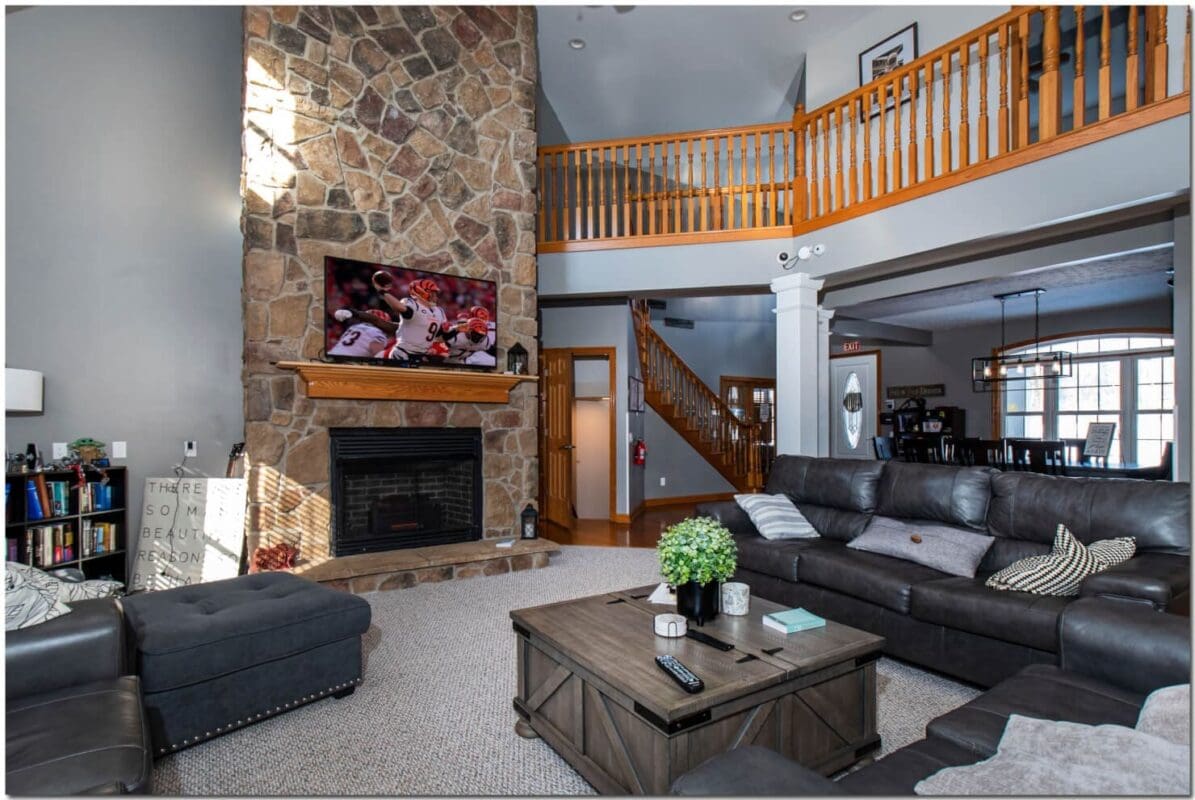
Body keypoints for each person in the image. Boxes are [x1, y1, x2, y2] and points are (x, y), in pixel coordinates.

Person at [374, 272, 448, 362]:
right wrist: (383, 292)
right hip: (404, 352)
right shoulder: (412, 304)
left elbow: (440, 335)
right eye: (432, 293)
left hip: (421, 354)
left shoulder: (439, 311)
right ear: (422, 292)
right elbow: (399, 307)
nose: (435, 296)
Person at [327, 308, 395, 357]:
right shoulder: (377, 332)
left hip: (331, 355)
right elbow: (378, 356)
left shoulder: (354, 327)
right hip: (345, 362)